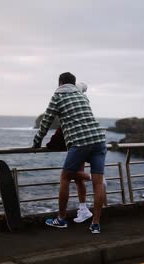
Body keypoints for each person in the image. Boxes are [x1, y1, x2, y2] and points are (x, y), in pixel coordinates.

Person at [33, 72, 106, 233]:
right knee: (98, 183)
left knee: (65, 177)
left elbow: (45, 123)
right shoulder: (79, 92)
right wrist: (80, 85)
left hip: (80, 142)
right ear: (73, 84)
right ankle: (95, 224)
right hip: (99, 138)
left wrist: (36, 142)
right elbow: (83, 85)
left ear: (59, 83)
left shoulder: (57, 97)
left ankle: (61, 218)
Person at [45, 82, 93, 224]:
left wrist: (49, 145)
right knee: (78, 178)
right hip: (87, 141)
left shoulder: (67, 102)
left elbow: (61, 131)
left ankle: (61, 218)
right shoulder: (83, 101)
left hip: (77, 144)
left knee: (65, 177)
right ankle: (83, 209)